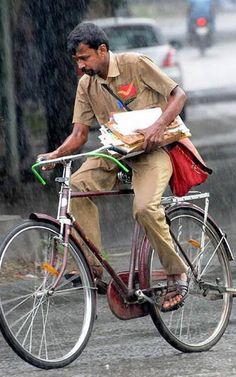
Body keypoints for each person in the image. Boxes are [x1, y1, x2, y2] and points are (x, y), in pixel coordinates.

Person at [38, 22, 189, 312]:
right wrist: (54, 154)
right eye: (77, 61)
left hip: (152, 151)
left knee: (145, 209)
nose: (81, 66)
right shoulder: (86, 84)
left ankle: (175, 271)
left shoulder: (135, 64)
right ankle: (92, 267)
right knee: (75, 186)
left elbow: (179, 95)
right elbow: (80, 134)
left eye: (85, 58)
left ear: (103, 50)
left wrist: (158, 126)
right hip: (116, 152)